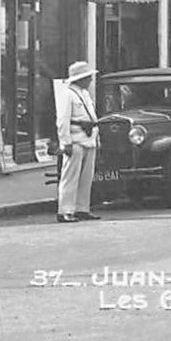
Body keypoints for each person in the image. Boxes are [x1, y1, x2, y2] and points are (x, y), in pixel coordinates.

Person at [54, 60, 101, 223]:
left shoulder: (85, 94)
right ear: (79, 79)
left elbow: (92, 117)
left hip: (89, 138)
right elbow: (63, 120)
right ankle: (65, 210)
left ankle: (82, 208)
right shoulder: (67, 94)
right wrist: (65, 142)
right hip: (75, 139)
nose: (90, 80)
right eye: (88, 77)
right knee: (70, 177)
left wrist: (97, 137)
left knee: (86, 177)